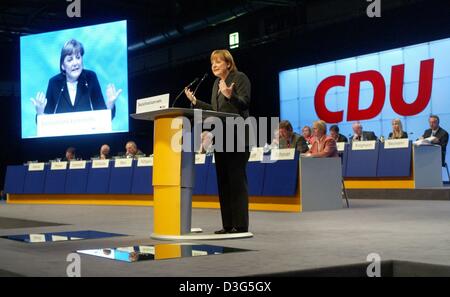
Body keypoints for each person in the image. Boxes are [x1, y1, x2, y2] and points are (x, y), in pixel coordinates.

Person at [184, 49, 250, 234]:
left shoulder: (240, 78)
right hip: (221, 138)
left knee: (237, 182)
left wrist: (231, 95)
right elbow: (215, 110)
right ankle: (228, 225)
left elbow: (244, 103)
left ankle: (241, 225)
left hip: (238, 136)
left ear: (228, 63)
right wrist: (196, 102)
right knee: (224, 182)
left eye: (218, 62)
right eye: (212, 62)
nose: (214, 65)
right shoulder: (216, 84)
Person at [30, 39, 121, 117]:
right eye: (70, 60)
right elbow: (44, 123)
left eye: (78, 57)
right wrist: (40, 112)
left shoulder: (90, 77)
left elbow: (104, 118)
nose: (75, 63)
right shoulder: (54, 83)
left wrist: (110, 104)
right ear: (63, 66)